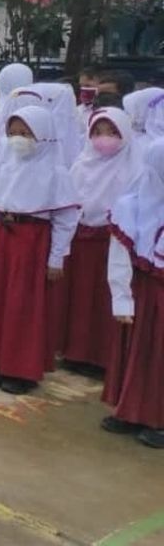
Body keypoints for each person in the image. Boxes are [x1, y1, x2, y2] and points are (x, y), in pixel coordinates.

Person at [0, 106, 80, 395]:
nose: (18, 139)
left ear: (43, 135)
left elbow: (65, 219)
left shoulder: (56, 172)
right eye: (13, 133)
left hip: (32, 239)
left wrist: (57, 257)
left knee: (23, 305)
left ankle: (22, 370)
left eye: (25, 133)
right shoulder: (5, 165)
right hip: (3, 237)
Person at [59, 108, 140, 376]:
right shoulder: (82, 163)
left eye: (112, 132)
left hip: (113, 242)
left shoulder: (134, 168)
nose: (104, 139)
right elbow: (70, 198)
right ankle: (76, 351)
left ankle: (103, 357)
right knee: (79, 297)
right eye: (98, 132)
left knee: (106, 298)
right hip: (81, 239)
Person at [102, 139, 164, 448]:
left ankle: (158, 418)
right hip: (143, 290)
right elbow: (119, 256)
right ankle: (130, 410)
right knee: (139, 353)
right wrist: (122, 298)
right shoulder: (132, 205)